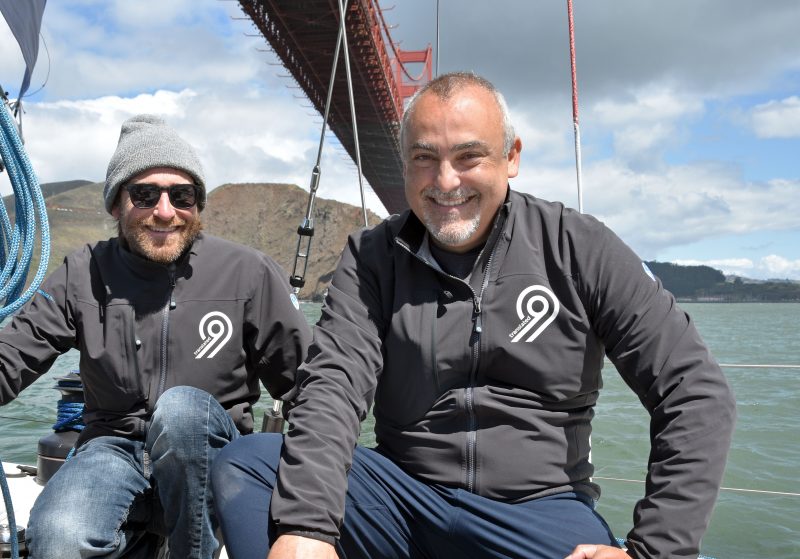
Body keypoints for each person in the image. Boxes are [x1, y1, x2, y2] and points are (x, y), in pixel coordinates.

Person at [211, 73, 736, 559]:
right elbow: (332, 385)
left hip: (538, 509)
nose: (445, 181)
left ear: (511, 156)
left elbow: (694, 390)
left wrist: (652, 551)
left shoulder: (579, 247)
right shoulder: (373, 256)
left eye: (468, 156)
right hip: (403, 496)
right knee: (248, 464)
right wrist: (307, 527)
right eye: (424, 158)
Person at [0, 114, 311, 559]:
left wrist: (309, 506)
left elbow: (308, 387)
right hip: (112, 446)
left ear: (197, 204)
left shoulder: (248, 273)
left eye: (181, 195)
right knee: (59, 538)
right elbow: (12, 357)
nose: (165, 211)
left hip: (212, 456)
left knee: (183, 412)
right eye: (145, 194)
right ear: (116, 205)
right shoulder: (81, 274)